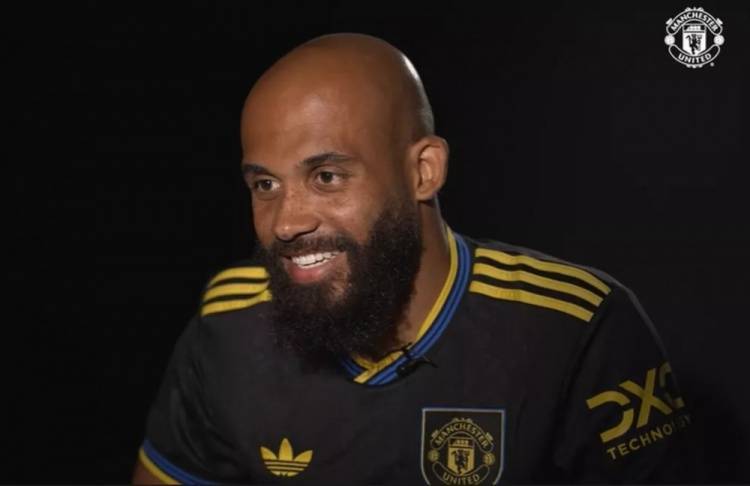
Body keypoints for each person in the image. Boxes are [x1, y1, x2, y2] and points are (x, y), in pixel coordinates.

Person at [133, 33, 698, 484]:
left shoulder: (578, 329)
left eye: (326, 177)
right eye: (265, 185)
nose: (285, 222)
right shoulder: (230, 321)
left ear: (423, 171)